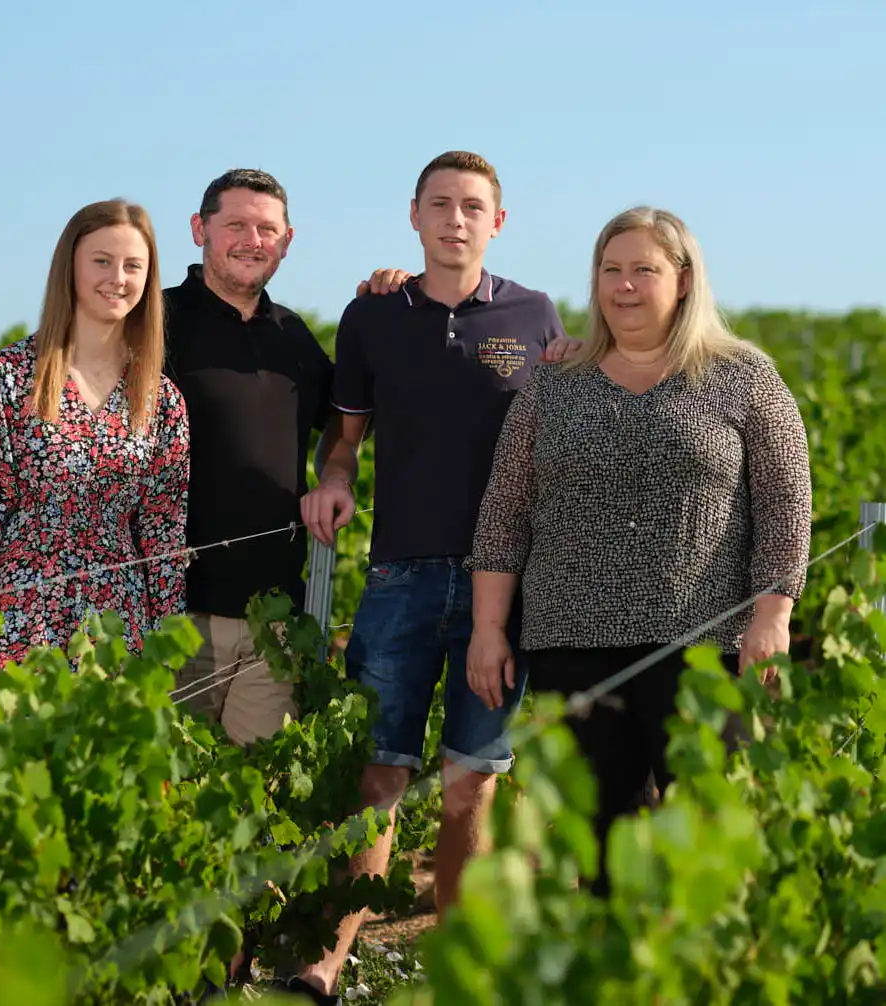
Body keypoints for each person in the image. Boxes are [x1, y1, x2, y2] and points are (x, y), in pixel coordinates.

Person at [291, 150, 577, 1004]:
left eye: (472, 207)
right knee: (376, 778)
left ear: (499, 221)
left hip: (504, 589)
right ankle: (325, 964)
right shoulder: (372, 314)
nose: (456, 220)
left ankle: (456, 971)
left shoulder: (535, 316)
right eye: (440, 205)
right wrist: (335, 480)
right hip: (399, 580)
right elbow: (342, 442)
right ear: (413, 216)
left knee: (470, 781)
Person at [465, 205, 813, 895]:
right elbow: (504, 513)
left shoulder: (744, 377)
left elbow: (787, 502)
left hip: (709, 646)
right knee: (599, 845)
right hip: (572, 644)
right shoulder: (553, 385)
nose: (624, 286)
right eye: (610, 270)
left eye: (643, 271)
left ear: (683, 280)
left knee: (707, 839)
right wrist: (486, 630)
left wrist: (773, 616)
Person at [0, 199, 190, 724]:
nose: (117, 278)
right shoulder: (8, 379)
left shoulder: (161, 398)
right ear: (70, 267)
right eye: (101, 261)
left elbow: (164, 539)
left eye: (133, 266)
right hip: (20, 627)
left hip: (122, 636)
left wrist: (165, 654)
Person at [162, 169, 338, 747]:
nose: (252, 240)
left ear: (287, 241)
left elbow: (347, 416)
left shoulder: (294, 338)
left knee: (257, 806)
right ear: (199, 230)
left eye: (267, 229)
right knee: (163, 801)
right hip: (174, 617)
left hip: (273, 625)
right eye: (235, 224)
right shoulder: (152, 324)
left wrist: (334, 472)